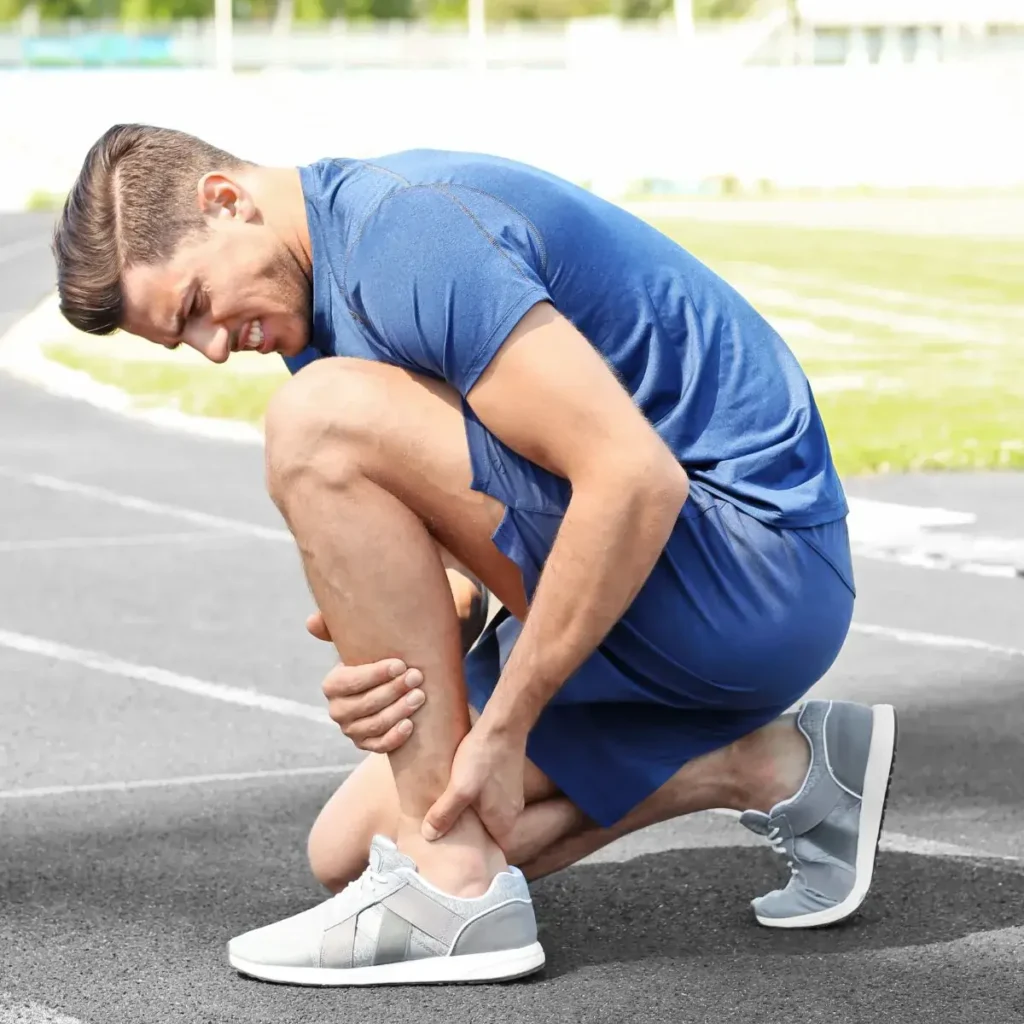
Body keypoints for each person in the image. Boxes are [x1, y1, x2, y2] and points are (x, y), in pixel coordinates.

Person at [52, 123, 898, 988]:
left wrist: (504, 725)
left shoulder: (404, 236)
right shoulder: (310, 302)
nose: (215, 348)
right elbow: (491, 503)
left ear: (225, 201)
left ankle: (451, 893)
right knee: (353, 858)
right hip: (664, 586)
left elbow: (635, 479)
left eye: (195, 306)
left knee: (315, 423)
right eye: (181, 341)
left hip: (755, 575)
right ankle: (767, 766)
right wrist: (410, 631)